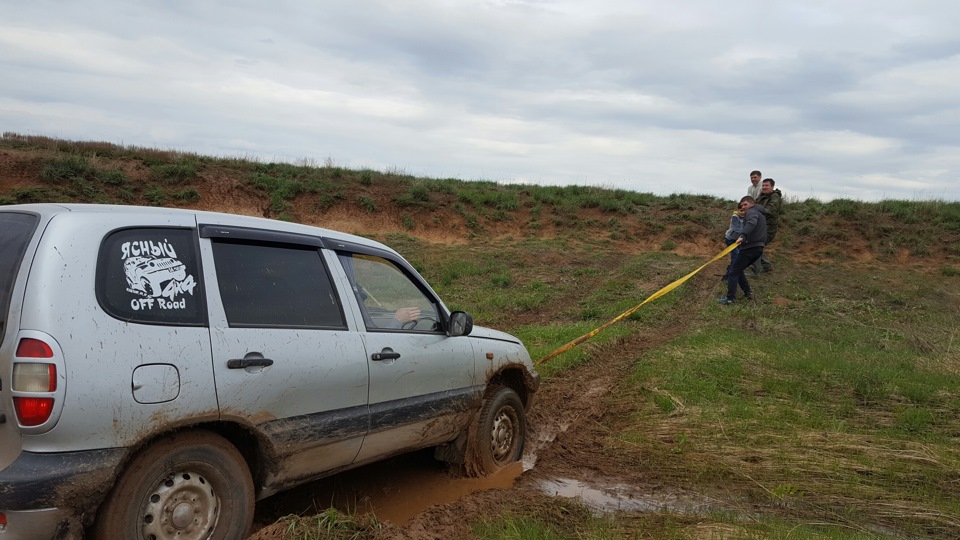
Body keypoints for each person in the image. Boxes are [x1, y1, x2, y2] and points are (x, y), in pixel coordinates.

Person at [719, 196, 768, 305]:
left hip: (750, 248)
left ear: (752, 203)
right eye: (741, 206)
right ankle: (748, 292)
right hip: (758, 248)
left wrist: (743, 235)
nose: (743, 207)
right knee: (738, 269)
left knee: (733, 271)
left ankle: (730, 298)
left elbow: (751, 223)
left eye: (745, 204)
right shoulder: (760, 214)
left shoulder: (752, 212)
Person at [751, 178, 783, 274]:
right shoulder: (761, 195)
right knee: (754, 245)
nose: (764, 187)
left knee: (756, 245)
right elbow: (753, 205)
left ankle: (757, 270)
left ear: (772, 187)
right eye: (763, 186)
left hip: (769, 227)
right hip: (760, 225)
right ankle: (766, 265)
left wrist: (754, 211)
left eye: (766, 186)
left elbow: (770, 211)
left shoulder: (775, 197)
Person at [722, 205, 745, 281]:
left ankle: (730, 272)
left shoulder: (746, 217)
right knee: (736, 258)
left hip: (738, 241)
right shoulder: (735, 217)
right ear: (738, 210)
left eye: (744, 211)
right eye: (741, 210)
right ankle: (727, 277)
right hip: (730, 240)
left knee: (735, 258)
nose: (743, 212)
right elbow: (737, 229)